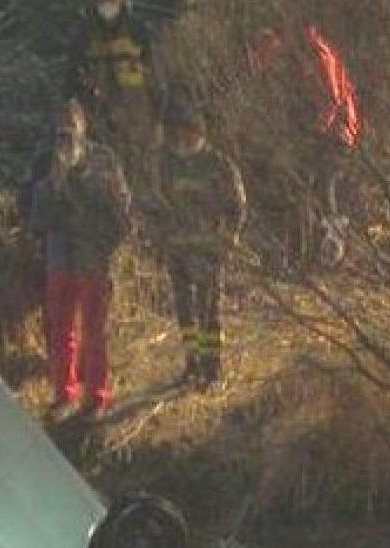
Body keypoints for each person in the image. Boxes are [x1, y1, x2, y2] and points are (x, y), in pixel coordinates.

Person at [30, 100, 132, 423]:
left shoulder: (103, 160)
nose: (67, 131)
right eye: (61, 125)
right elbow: (36, 216)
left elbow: (121, 210)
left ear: (83, 125)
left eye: (72, 123)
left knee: (94, 329)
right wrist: (53, 189)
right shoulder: (45, 162)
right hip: (60, 254)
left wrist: (104, 244)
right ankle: (64, 394)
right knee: (60, 329)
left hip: (92, 256)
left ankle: (96, 396)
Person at [246, 16, 361, 269]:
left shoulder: (317, 55)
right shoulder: (296, 61)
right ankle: (306, 253)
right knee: (301, 190)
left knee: (322, 186)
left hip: (334, 135)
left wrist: (312, 132)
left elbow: (330, 100)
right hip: (317, 134)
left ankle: (331, 250)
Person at [153, 102, 247, 389]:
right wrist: (160, 237)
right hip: (177, 248)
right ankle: (191, 364)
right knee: (184, 309)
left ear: (199, 133)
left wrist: (229, 236)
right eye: (177, 133)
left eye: (188, 133)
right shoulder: (166, 163)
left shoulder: (219, 165)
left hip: (208, 249)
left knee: (209, 309)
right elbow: (158, 203)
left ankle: (212, 367)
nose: (181, 139)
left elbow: (238, 206)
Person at [64, 0, 163, 188]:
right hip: (97, 122)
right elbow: (71, 82)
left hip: (138, 120)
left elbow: (158, 78)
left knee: (143, 179)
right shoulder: (83, 34)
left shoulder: (140, 30)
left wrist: (158, 119)